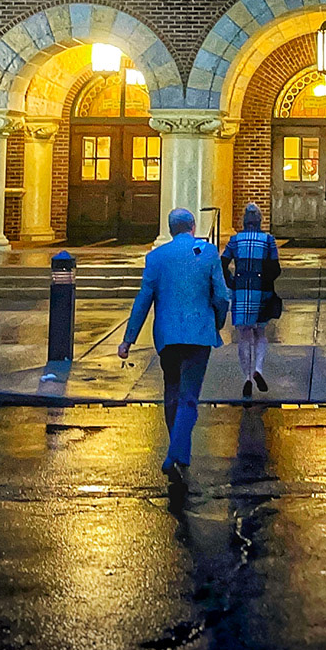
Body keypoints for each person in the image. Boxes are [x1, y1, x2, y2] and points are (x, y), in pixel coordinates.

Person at [118, 207, 230, 483]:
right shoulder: (208, 253)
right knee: (189, 397)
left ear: (170, 230)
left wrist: (128, 339)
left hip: (167, 336)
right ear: (192, 228)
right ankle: (174, 453)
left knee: (172, 392)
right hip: (199, 333)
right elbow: (222, 296)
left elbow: (143, 300)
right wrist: (217, 322)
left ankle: (182, 451)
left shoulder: (156, 257)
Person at [222, 202, 279, 398]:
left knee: (244, 336)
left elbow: (222, 264)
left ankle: (246, 377)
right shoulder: (268, 240)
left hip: (241, 290)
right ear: (260, 220)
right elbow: (275, 268)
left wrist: (232, 281)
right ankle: (259, 369)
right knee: (260, 333)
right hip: (260, 290)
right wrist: (267, 284)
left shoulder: (235, 240)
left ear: (244, 221)